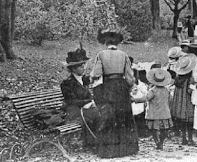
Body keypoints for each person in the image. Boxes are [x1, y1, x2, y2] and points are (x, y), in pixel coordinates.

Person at [89, 29, 138, 158]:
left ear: (105, 42)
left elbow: (96, 74)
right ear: (117, 42)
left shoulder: (101, 54)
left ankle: (110, 150)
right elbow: (129, 77)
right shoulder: (123, 55)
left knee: (110, 117)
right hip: (121, 87)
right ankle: (126, 148)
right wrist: (129, 86)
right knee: (123, 116)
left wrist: (92, 79)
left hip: (108, 87)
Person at [60, 48, 98, 147]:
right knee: (97, 114)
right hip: (74, 111)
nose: (84, 68)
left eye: (84, 65)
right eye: (81, 66)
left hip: (86, 109)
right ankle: (95, 142)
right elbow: (71, 101)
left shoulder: (85, 79)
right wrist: (89, 101)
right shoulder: (67, 83)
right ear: (73, 69)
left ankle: (101, 141)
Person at [131, 68, 174, 150]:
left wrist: (135, 100)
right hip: (164, 113)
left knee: (153, 129)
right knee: (164, 129)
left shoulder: (153, 90)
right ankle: (161, 142)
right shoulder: (166, 90)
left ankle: (157, 142)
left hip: (154, 113)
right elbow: (170, 100)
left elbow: (145, 98)